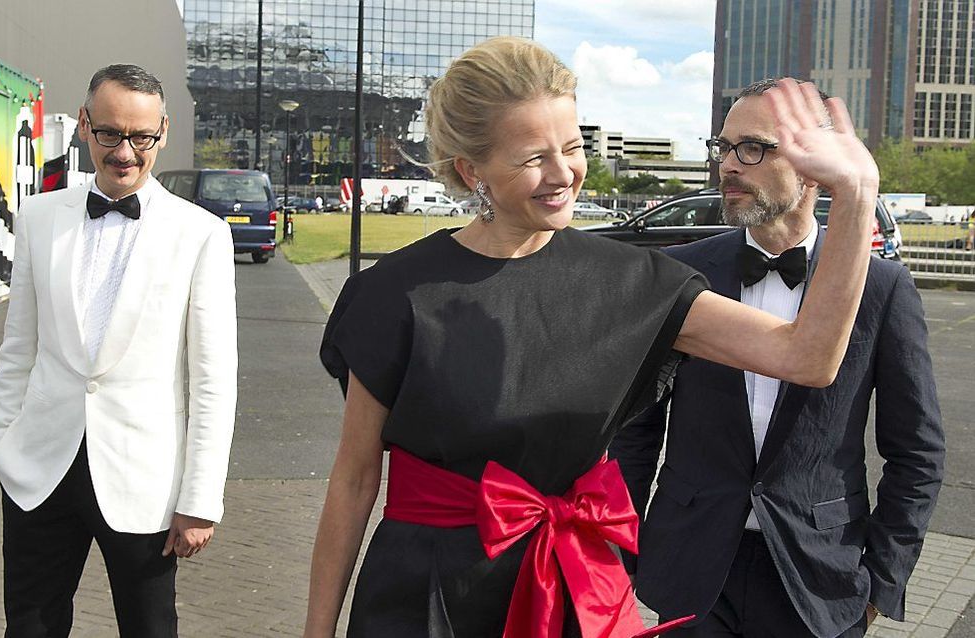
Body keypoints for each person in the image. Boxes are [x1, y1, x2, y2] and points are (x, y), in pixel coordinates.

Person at [304, 38, 880, 638]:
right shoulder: (393, 293)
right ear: (471, 170)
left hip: (570, 589)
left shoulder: (635, 282)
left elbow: (807, 356)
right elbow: (354, 480)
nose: (563, 174)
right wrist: (317, 630)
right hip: (422, 600)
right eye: (533, 158)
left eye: (573, 147)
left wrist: (856, 194)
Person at [610, 79, 945, 638]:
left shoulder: (880, 287)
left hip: (819, 577)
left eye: (754, 148)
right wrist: (620, 556)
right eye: (724, 147)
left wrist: (880, 585)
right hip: (691, 566)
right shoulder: (677, 275)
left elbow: (917, 452)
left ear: (814, 167)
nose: (728, 166)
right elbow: (635, 432)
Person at [0, 64, 238, 637]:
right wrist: (2, 442)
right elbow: (18, 347)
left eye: (141, 136)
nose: (125, 151)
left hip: (143, 480)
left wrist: (201, 497)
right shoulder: (38, 219)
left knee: (149, 628)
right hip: (37, 468)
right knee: (28, 627)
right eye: (109, 134)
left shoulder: (201, 234)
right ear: (83, 125)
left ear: (164, 131)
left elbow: (213, 379)